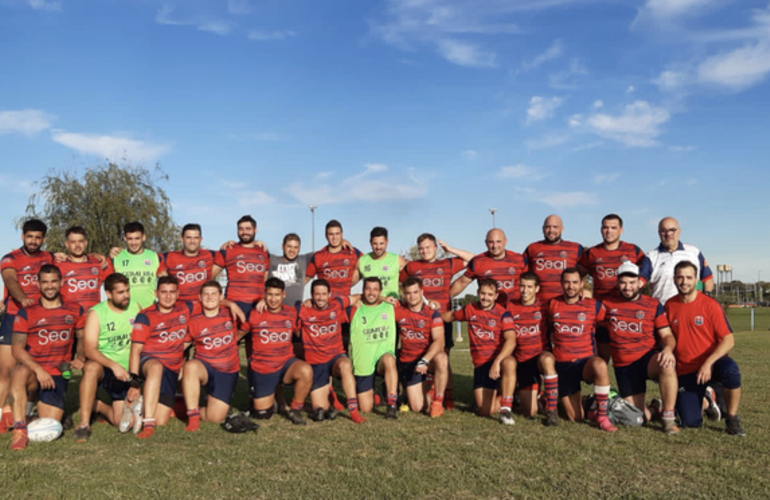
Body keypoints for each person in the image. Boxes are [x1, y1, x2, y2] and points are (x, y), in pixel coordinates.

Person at [9, 265, 85, 450]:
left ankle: (32, 415)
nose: (49, 286)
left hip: (58, 373)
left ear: (61, 282)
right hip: (35, 372)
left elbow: (82, 337)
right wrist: (39, 370)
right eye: (45, 282)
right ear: (38, 284)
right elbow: (17, 349)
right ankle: (19, 431)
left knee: (51, 424)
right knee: (18, 371)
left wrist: (80, 356)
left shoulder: (75, 309)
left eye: (53, 281)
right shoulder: (27, 312)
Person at [665, 261, 745, 436]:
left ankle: (731, 419)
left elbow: (728, 339)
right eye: (680, 277)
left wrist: (708, 363)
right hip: (685, 369)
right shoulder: (669, 306)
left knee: (731, 372)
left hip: (712, 364)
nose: (684, 281)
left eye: (688, 277)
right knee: (690, 422)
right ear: (674, 279)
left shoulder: (710, 305)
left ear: (696, 280)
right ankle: (708, 399)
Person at [601, 262, 679, 435]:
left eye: (631, 282)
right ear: (617, 283)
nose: (627, 287)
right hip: (624, 367)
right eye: (623, 282)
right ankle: (654, 409)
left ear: (639, 283)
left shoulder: (652, 304)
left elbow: (667, 335)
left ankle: (668, 418)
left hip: (647, 358)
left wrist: (667, 349)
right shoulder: (606, 304)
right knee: (635, 418)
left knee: (667, 364)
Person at [401, 233, 471, 410]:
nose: (425, 251)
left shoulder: (446, 263)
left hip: (441, 317)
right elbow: (401, 284)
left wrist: (450, 250)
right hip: (419, 319)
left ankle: (447, 396)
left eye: (428, 247)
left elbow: (474, 260)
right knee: (422, 352)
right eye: (421, 248)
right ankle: (427, 391)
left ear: (435, 248)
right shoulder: (412, 266)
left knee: (443, 357)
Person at [0, 219, 54, 433]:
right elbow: (10, 279)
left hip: (41, 320)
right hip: (14, 318)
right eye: (29, 236)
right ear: (23, 236)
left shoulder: (49, 257)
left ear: (43, 239)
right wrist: (23, 299)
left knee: (34, 366)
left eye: (38, 237)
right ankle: (3, 413)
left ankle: (27, 409)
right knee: (5, 369)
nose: (33, 241)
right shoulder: (10, 258)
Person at [74, 273, 142, 442]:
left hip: (130, 370)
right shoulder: (96, 313)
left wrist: (136, 377)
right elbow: (89, 350)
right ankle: (84, 424)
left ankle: (98, 405)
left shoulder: (136, 308)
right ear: (109, 294)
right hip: (108, 369)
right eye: (120, 292)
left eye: (127, 290)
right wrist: (113, 366)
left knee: (121, 423)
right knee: (90, 367)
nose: (126, 295)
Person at [547, 268, 616, 432]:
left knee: (599, 364)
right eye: (567, 282)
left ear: (581, 284)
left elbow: (608, 325)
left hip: (585, 362)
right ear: (561, 284)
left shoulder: (594, 306)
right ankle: (587, 402)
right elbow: (549, 329)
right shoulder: (552, 304)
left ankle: (602, 415)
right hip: (563, 365)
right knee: (575, 418)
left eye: (574, 282)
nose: (570, 286)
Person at [441, 279, 517, 424]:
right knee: (484, 411)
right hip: (480, 366)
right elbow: (450, 316)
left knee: (510, 362)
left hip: (498, 363)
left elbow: (511, 340)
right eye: (483, 293)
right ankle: (507, 393)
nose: (485, 297)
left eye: (490, 294)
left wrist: (497, 362)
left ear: (495, 296)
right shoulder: (470, 309)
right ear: (477, 293)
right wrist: (430, 315)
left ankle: (506, 409)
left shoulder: (503, 314)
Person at [580, 214, 651, 361]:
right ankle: (601, 383)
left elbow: (647, 265)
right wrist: (582, 289)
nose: (609, 231)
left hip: (627, 311)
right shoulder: (592, 253)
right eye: (605, 227)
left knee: (628, 355)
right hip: (602, 312)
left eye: (613, 228)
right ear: (601, 230)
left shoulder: (632, 250)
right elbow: (577, 273)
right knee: (602, 357)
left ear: (621, 230)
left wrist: (641, 281)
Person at [128, 276, 193, 438]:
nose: (168, 296)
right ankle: (147, 425)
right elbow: (135, 350)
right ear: (156, 293)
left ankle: (144, 405)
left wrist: (231, 304)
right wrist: (134, 382)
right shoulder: (145, 315)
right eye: (164, 292)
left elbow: (211, 299)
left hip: (171, 369)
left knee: (161, 420)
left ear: (178, 294)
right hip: (149, 363)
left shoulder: (185, 308)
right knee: (156, 366)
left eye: (172, 292)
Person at [244, 278, 312, 426]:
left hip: (285, 363)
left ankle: (295, 410)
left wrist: (309, 302)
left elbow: (303, 331)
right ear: (264, 294)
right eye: (269, 294)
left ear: (283, 295)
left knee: (305, 370)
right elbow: (237, 334)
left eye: (276, 295)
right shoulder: (254, 314)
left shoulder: (291, 313)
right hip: (263, 367)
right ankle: (268, 397)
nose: (273, 299)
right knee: (263, 415)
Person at [297, 279, 365, 423]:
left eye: (323, 294)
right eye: (317, 294)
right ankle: (328, 396)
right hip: (316, 363)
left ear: (329, 294)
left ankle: (353, 411)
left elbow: (359, 296)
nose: (320, 298)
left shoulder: (337, 303)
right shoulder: (303, 310)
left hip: (335, 357)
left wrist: (358, 302)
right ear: (311, 295)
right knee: (320, 408)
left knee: (346, 365)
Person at [182, 281, 247, 431]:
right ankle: (192, 418)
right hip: (204, 367)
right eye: (206, 294)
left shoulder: (231, 313)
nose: (210, 297)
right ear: (200, 297)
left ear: (221, 296)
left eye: (214, 294)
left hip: (226, 371)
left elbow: (246, 327)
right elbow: (183, 345)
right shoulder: (194, 320)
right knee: (191, 366)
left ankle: (189, 409)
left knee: (214, 418)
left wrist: (235, 338)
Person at [506, 272, 559, 426]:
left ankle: (552, 411)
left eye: (529, 287)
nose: (525, 290)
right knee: (529, 412)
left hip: (540, 359)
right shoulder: (510, 306)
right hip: (522, 361)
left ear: (537, 289)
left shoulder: (545, 306)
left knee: (547, 359)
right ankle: (538, 397)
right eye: (522, 286)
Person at [394, 277, 448, 417]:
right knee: (418, 407)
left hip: (426, 360)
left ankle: (438, 401)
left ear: (421, 292)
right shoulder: (398, 311)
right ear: (404, 294)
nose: (412, 296)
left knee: (442, 357)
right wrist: (384, 299)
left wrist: (425, 359)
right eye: (408, 293)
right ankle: (429, 390)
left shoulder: (432, 313)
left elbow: (439, 341)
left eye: (415, 292)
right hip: (408, 362)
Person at [348, 277, 399, 419]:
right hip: (363, 362)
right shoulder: (354, 309)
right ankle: (377, 394)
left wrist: (432, 304)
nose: (371, 292)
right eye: (368, 288)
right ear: (363, 290)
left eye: (375, 289)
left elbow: (414, 304)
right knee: (365, 408)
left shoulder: (390, 307)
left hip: (383, 357)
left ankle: (392, 405)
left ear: (380, 292)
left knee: (389, 360)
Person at [449, 228, 527, 306]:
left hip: (514, 310)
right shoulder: (478, 261)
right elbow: (461, 283)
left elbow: (531, 284)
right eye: (491, 242)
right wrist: (443, 300)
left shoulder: (519, 259)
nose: (495, 246)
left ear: (505, 241)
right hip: (488, 313)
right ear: (486, 243)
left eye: (498, 241)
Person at [212, 215, 269, 318]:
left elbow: (265, 281)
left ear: (255, 230)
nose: (244, 232)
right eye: (241, 229)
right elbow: (209, 275)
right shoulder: (228, 250)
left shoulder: (263, 251)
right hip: (234, 304)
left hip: (258, 306)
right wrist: (219, 298)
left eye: (248, 229)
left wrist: (265, 299)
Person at [647, 217, 714, 304]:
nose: (668, 234)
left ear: (679, 231)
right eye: (664, 230)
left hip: (691, 309)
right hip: (662, 311)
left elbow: (708, 278)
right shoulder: (651, 256)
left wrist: (706, 296)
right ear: (659, 233)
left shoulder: (694, 252)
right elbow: (639, 282)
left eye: (672, 230)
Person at [524, 215, 585, 303]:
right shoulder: (532, 249)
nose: (551, 230)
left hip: (565, 303)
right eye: (548, 227)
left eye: (555, 227)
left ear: (562, 229)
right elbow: (522, 273)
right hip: (538, 304)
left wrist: (583, 289)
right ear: (543, 229)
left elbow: (588, 271)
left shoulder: (575, 248)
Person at [109, 221, 167, 309]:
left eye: (137, 238)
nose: (133, 243)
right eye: (130, 239)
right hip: (124, 311)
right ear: (124, 238)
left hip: (149, 310)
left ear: (143, 237)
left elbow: (166, 282)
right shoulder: (116, 257)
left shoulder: (154, 257)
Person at [305, 220, 363, 298]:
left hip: (345, 305)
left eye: (337, 234)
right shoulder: (318, 256)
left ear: (342, 234)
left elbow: (369, 263)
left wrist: (351, 282)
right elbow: (306, 279)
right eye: (331, 234)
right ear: (326, 235)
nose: (334, 238)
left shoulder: (352, 252)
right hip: (324, 305)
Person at [58, 226, 109, 311]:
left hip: (93, 318)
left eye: (80, 241)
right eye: (73, 242)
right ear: (67, 244)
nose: (77, 245)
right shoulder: (58, 266)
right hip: (70, 318)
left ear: (86, 243)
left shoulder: (98, 263)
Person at [164, 224, 218, 303]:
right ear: (181, 239)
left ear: (200, 239)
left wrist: (231, 243)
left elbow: (229, 255)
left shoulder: (210, 255)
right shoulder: (169, 256)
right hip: (178, 307)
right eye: (188, 238)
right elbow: (150, 259)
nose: (192, 241)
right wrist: (164, 277)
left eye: (195, 238)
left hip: (202, 306)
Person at [357, 227, 408, 299]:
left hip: (391, 306)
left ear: (387, 242)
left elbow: (413, 283)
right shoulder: (362, 261)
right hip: (370, 306)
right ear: (370, 242)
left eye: (381, 243)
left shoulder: (398, 260)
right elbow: (347, 283)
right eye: (375, 243)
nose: (378, 247)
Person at [267, 233, 314, 307]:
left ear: (299, 248)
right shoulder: (272, 259)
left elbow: (325, 253)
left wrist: (314, 299)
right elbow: (256, 250)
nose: (292, 250)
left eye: (295, 247)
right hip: (273, 310)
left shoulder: (304, 259)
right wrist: (257, 242)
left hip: (295, 311)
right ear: (282, 246)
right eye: (289, 246)